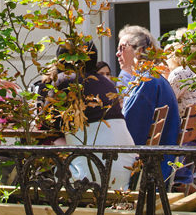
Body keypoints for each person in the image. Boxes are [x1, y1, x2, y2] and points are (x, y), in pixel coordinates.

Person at [53, 42, 135, 189]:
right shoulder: (107, 84)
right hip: (127, 176)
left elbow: (45, 122)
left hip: (89, 180)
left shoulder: (65, 80)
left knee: (50, 150)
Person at [116, 25, 180, 180]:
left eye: (122, 48)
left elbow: (129, 134)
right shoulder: (153, 78)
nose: (117, 53)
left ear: (139, 51)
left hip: (148, 171)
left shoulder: (145, 81)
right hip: (161, 163)